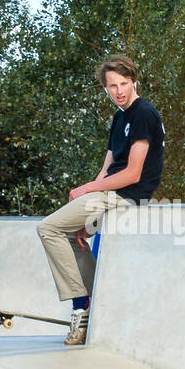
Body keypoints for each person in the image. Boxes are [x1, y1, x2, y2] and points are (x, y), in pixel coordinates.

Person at [35, 54, 164, 345]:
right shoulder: (119, 118)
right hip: (109, 193)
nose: (119, 91)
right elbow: (108, 166)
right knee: (72, 236)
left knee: (48, 228)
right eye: (112, 86)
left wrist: (86, 190)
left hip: (127, 194)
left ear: (134, 82)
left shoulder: (144, 113)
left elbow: (132, 173)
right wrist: (88, 206)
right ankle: (97, 301)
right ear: (104, 88)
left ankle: (81, 306)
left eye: (124, 83)